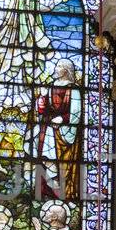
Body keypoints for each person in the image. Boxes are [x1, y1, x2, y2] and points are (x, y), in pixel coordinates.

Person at [35, 58, 82, 200]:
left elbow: (76, 112)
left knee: (59, 162)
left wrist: (62, 119)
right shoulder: (51, 86)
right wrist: (41, 102)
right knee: (44, 157)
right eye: (56, 65)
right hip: (50, 128)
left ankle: (63, 193)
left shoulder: (73, 89)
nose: (56, 68)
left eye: (60, 66)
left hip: (64, 132)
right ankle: (49, 190)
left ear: (67, 71)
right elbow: (45, 109)